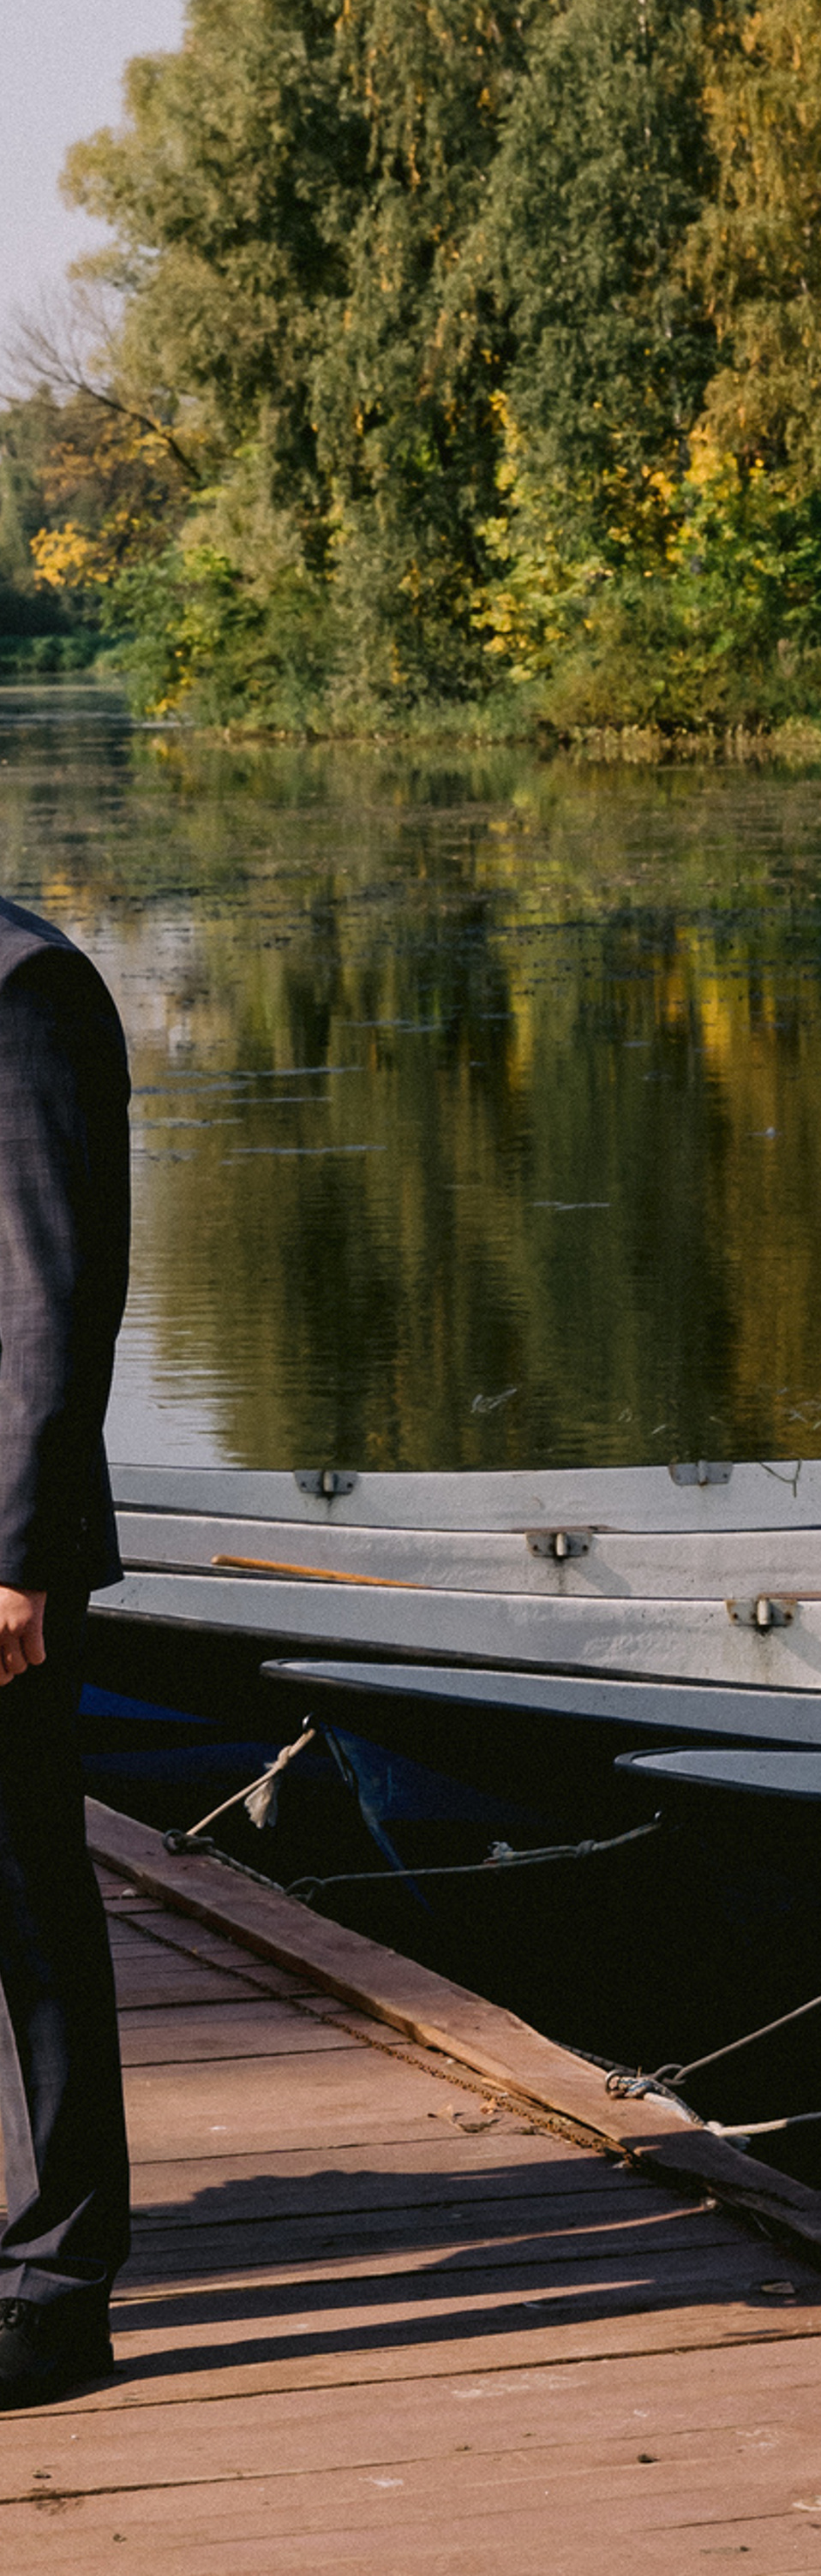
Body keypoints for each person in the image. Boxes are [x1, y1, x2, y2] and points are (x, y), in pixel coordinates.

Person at [0, 898, 131, 2406]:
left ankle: (56, 2288)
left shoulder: (23, 988)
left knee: (25, 1908)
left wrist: (18, 1558)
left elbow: (52, 1294)